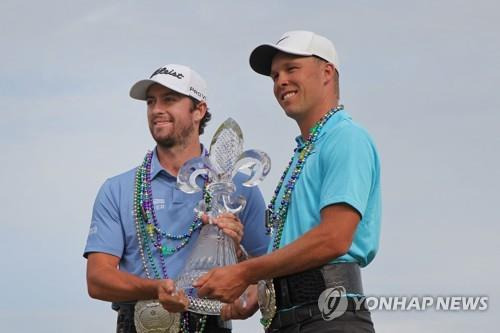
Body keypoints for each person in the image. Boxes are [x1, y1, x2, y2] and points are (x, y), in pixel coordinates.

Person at [194, 31, 381, 333]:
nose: (280, 81)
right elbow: (294, 252)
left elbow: (334, 238)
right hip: (290, 319)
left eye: (291, 69)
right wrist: (245, 282)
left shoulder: (346, 137)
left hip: (328, 316)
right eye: (274, 75)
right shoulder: (306, 150)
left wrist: (244, 271)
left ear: (327, 72)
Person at [83, 64, 270, 333]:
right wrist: (156, 289)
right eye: (151, 101)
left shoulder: (235, 185)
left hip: (212, 324)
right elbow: (98, 280)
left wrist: (238, 255)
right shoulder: (118, 189)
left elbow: (268, 268)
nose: (157, 109)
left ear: (199, 110)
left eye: (169, 99)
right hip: (140, 323)